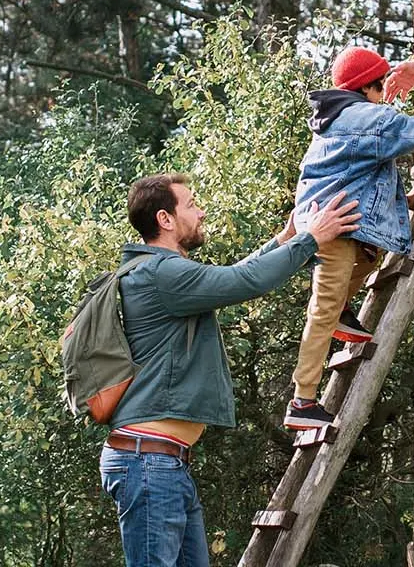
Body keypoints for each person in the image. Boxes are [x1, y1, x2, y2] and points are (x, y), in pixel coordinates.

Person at [102, 173, 361, 567]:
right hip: (149, 464)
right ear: (165, 219)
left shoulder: (162, 271)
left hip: (163, 463)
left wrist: (283, 241)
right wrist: (311, 239)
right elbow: (243, 281)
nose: (200, 211)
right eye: (190, 205)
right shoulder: (161, 274)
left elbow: (230, 277)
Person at [282, 47, 414, 430]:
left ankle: (343, 313)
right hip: (335, 226)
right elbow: (413, 131)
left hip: (338, 221)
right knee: (322, 307)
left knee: (368, 258)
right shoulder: (365, 116)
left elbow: (364, 174)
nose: (386, 93)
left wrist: (401, 200)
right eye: (382, 84)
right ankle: (302, 400)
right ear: (370, 85)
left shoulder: (334, 119)